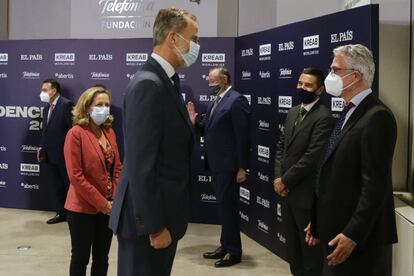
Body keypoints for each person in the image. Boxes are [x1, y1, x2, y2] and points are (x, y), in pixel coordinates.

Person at [109, 7, 199, 276]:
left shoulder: (167, 81)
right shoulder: (149, 84)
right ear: (173, 38)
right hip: (147, 225)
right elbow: (140, 164)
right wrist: (154, 226)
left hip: (163, 216)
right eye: (193, 38)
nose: (197, 45)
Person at [305, 44, 398, 276]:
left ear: (355, 76)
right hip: (335, 230)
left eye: (335, 70)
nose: (330, 76)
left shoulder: (378, 117)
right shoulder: (349, 111)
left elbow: (375, 186)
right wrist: (318, 220)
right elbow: (334, 171)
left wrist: (352, 235)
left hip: (358, 242)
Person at [187, 67, 251, 267]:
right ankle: (225, 245)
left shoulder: (236, 99)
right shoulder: (219, 99)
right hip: (217, 165)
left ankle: (234, 252)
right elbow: (211, 124)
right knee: (224, 209)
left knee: (229, 209)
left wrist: (243, 167)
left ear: (224, 80)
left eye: (212, 81)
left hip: (229, 166)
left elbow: (243, 136)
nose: (209, 84)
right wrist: (195, 120)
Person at [274, 67, 334, 276]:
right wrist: (278, 179)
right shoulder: (292, 112)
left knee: (310, 256)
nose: (302, 88)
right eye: (300, 83)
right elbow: (281, 147)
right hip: (288, 194)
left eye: (308, 85)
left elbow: (312, 157)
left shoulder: (324, 117)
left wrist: (286, 181)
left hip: (306, 197)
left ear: (320, 90)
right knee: (294, 253)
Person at [64, 86, 122, 276]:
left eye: (107, 105)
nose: (104, 109)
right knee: (80, 258)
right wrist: (101, 203)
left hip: (108, 207)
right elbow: (76, 176)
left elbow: (117, 168)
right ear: (87, 107)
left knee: (102, 257)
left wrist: (112, 199)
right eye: (99, 105)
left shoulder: (109, 132)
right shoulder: (76, 133)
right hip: (82, 208)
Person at [37, 78, 74, 224]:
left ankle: (73, 215)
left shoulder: (66, 105)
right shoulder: (47, 107)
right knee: (57, 186)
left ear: (54, 90)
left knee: (69, 185)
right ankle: (61, 214)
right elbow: (45, 131)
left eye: (45, 90)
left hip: (64, 155)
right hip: (50, 154)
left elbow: (73, 130)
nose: (42, 93)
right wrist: (41, 146)